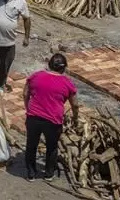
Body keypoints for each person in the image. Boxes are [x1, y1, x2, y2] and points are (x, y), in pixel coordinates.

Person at [23, 54, 78, 182]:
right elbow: (75, 105)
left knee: (31, 144)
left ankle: (31, 173)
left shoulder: (36, 76)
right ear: (63, 69)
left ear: (49, 65)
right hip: (53, 120)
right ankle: (48, 174)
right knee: (52, 146)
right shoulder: (67, 83)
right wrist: (75, 118)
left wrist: (28, 108)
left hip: (34, 117)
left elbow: (25, 94)